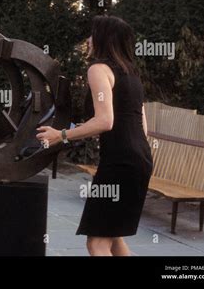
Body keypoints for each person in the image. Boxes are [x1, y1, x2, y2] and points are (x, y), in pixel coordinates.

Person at [36, 15, 153, 256]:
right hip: (139, 159)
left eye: (92, 33)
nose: (89, 39)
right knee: (114, 238)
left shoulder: (99, 69)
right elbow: (143, 127)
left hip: (120, 162)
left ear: (104, 38)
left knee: (97, 243)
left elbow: (104, 121)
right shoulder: (132, 75)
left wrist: (62, 135)